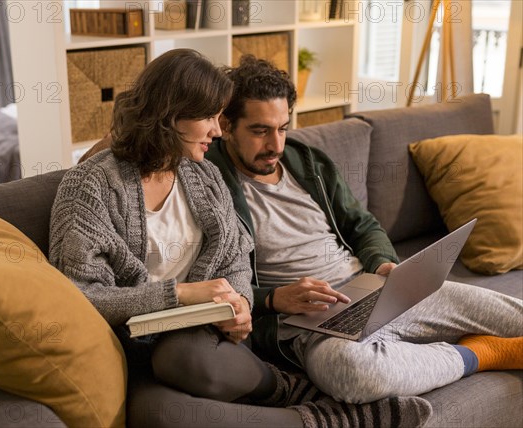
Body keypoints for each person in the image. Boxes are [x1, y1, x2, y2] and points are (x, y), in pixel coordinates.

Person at [49, 49, 433, 428]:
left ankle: (295, 397)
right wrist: (180, 294)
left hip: (209, 338)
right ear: (169, 116)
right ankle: (324, 413)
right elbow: (81, 294)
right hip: (140, 342)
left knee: (182, 357)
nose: (217, 130)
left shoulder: (204, 176)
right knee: (158, 413)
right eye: (209, 117)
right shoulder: (91, 186)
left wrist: (241, 305)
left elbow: (236, 258)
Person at [206, 54, 523, 404]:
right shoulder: (209, 182)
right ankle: (481, 354)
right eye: (259, 131)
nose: (275, 145)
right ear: (226, 124)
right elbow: (213, 284)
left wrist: (383, 263)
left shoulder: (305, 161)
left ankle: (405, 346)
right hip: (309, 323)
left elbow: (363, 225)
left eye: (282, 128)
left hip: (371, 289)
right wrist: (273, 298)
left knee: (512, 314)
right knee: (353, 374)